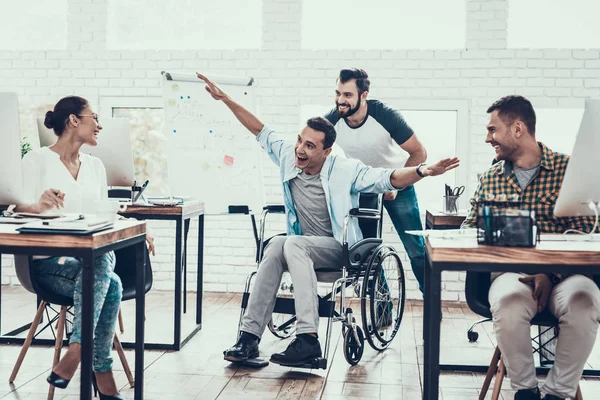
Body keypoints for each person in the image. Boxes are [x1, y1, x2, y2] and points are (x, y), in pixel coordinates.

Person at [195, 73, 459, 366]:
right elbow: (259, 129)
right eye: (299, 141)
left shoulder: (347, 169)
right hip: (302, 248)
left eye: (310, 146)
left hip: (340, 248)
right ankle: (249, 337)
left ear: (326, 151)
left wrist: (423, 171)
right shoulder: (288, 156)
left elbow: (388, 177)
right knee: (274, 247)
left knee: (292, 244)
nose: (300, 149)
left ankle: (308, 340)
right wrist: (226, 99)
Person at [14, 96, 155, 400]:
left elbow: (100, 212)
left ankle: (79, 351)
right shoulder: (36, 160)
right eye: (94, 117)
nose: (99, 125)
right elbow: (12, 209)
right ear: (73, 120)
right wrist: (37, 206)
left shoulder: (94, 166)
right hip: (46, 264)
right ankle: (92, 364)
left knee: (109, 275)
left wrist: (137, 230)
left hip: (87, 264)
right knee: (108, 275)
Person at [462, 95, 599, 400]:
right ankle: (525, 391)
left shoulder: (570, 170)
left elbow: (590, 234)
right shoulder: (490, 179)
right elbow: (469, 231)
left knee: (584, 301)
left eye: (493, 130)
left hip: (566, 276)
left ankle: (557, 394)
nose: (488, 139)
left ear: (518, 128)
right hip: (511, 274)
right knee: (508, 301)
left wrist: (551, 276)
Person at [324, 68, 428, 293]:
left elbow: (420, 154)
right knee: (368, 251)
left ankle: (431, 302)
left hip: (398, 181)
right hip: (365, 186)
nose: (340, 100)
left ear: (364, 95)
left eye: (348, 95)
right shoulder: (333, 119)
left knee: (416, 248)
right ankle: (382, 310)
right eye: (338, 93)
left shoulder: (385, 116)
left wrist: (398, 185)